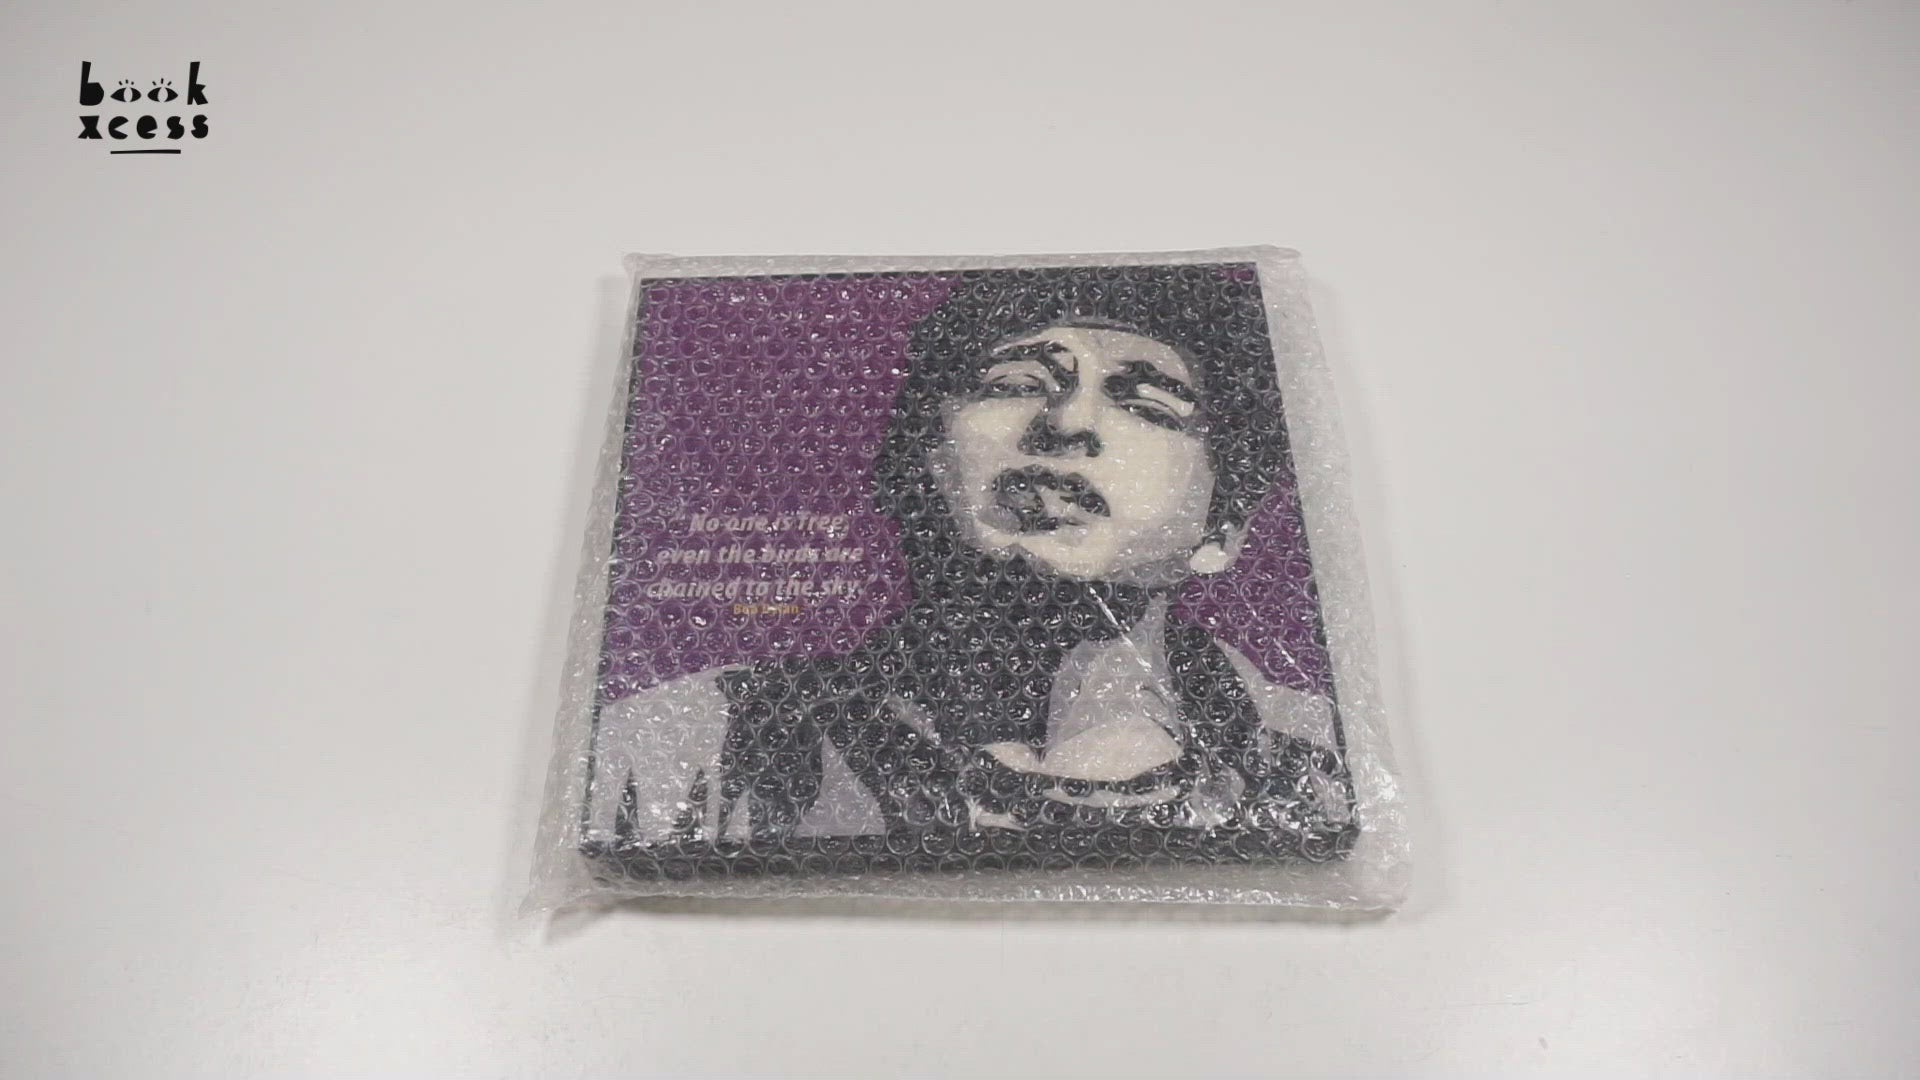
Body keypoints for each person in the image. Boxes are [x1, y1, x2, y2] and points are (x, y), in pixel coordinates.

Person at [583, 265, 1357, 873]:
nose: (1067, 425)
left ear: (1222, 527)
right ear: (925, 461)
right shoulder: (688, 746)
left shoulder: (1310, 764)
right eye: (1015, 385)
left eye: (1149, 406)